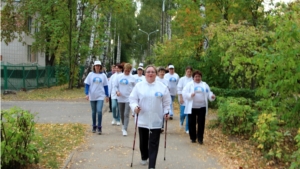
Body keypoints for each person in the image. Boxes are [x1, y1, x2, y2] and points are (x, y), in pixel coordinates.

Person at [129, 65, 171, 169]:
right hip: (142, 118)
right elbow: (132, 100)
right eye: (148, 72)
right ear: (145, 74)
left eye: (152, 72)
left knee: (154, 143)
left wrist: (166, 112)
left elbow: (166, 103)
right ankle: (144, 156)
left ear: (156, 74)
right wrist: (135, 107)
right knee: (143, 141)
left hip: (156, 119)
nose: (150, 74)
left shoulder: (162, 87)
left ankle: (152, 166)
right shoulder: (139, 86)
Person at [182, 70, 216, 144]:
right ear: (193, 77)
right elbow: (184, 93)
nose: (197, 78)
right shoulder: (189, 85)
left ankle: (200, 138)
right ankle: (193, 137)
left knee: (201, 123)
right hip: (192, 107)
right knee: (192, 122)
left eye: (199, 77)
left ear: (201, 77)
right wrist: (190, 95)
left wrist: (212, 96)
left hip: (202, 106)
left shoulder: (204, 85)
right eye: (196, 77)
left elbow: (209, 93)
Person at [84, 60, 109, 134]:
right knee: (94, 112)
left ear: (100, 67)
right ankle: (94, 126)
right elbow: (87, 85)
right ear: (94, 67)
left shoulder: (103, 75)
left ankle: (99, 127)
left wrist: (107, 95)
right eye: (96, 66)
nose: (97, 67)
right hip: (92, 95)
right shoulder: (90, 74)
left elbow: (106, 86)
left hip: (100, 95)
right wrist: (87, 93)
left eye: (99, 66)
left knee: (99, 111)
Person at [114, 63, 136, 136]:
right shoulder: (119, 77)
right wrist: (117, 91)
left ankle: (125, 129)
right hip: (120, 97)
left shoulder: (132, 78)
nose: (127, 72)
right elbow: (115, 86)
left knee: (126, 113)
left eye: (128, 71)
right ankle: (123, 124)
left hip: (128, 98)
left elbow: (135, 87)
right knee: (122, 113)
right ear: (124, 69)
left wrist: (132, 92)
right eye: (126, 70)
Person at [177, 66, 193, 134]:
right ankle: (181, 120)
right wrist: (180, 98)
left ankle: (187, 128)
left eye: (190, 72)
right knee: (183, 114)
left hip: (190, 99)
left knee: (188, 114)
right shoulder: (182, 79)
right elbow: (179, 89)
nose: (189, 73)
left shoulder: (193, 79)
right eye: (188, 71)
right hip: (183, 99)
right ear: (185, 71)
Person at [155, 66, 169, 132]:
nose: (162, 73)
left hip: (163, 98)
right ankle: (156, 124)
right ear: (158, 73)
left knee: (163, 111)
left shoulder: (166, 80)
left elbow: (168, 89)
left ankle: (161, 126)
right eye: (160, 72)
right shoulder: (156, 79)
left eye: (163, 72)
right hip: (157, 97)